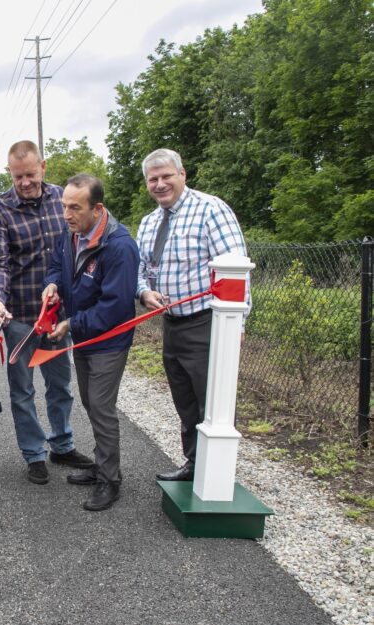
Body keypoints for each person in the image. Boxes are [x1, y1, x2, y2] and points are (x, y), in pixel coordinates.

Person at [135, 148, 247, 482]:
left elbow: (236, 269)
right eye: (153, 179)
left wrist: (238, 322)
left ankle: (218, 473)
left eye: (166, 176)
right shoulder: (150, 221)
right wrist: (144, 291)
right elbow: (140, 270)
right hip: (172, 325)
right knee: (184, 399)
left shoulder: (211, 209)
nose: (160, 184)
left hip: (207, 323)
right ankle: (195, 464)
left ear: (182, 174)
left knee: (210, 401)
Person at [0, 140, 93, 485]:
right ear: (10, 173)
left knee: (60, 385)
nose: (25, 182)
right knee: (23, 391)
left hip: (58, 318)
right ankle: (34, 454)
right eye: (18, 176)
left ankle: (62, 444)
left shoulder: (63, 199)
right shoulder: (0, 209)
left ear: (43, 167)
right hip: (19, 317)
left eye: (30, 174)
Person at [42, 174, 139, 511]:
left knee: (100, 406)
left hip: (108, 341)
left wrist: (70, 323)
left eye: (75, 208)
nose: (66, 215)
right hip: (83, 338)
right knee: (90, 402)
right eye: (64, 206)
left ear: (98, 208)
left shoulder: (120, 246)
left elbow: (114, 307)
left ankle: (110, 480)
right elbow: (57, 265)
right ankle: (102, 466)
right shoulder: (71, 234)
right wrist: (52, 285)